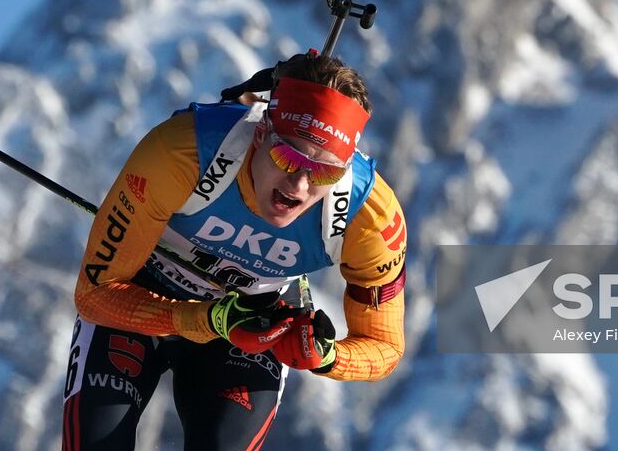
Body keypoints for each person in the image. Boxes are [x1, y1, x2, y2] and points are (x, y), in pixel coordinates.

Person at [62, 54, 408, 450]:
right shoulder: (182, 153)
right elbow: (94, 294)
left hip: (251, 325)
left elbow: (386, 347)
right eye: (287, 157)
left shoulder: (371, 217)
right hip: (141, 293)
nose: (298, 185)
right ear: (261, 132)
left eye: (325, 172)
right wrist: (203, 318)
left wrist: (324, 356)